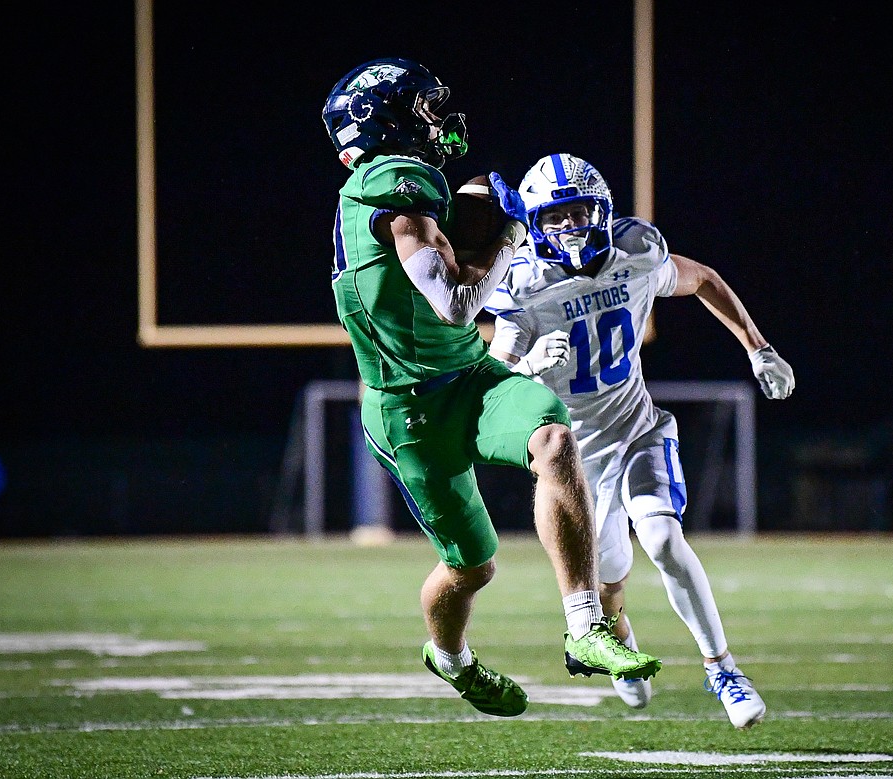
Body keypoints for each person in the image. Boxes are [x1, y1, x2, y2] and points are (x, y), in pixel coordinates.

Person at [321, 63, 661, 718]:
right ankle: (451, 659)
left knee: (553, 438)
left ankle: (586, 625)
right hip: (410, 410)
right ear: (385, 121)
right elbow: (454, 303)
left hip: (472, 377)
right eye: (421, 109)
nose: (437, 121)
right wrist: (508, 233)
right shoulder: (392, 182)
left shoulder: (405, 189)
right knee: (472, 565)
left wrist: (477, 207)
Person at [484, 153, 794, 729]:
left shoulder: (637, 252)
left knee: (664, 540)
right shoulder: (524, 284)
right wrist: (526, 365)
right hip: (577, 462)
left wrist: (759, 347)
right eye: (554, 216)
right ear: (533, 222)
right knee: (608, 586)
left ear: (601, 209)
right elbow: (491, 376)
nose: (570, 226)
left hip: (638, 429)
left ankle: (723, 669)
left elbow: (704, 279)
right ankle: (620, 639)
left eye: (579, 210)